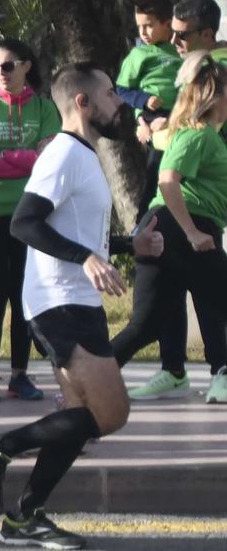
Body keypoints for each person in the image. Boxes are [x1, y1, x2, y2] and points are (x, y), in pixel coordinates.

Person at [0, 65, 163, 550]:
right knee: (110, 414)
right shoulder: (64, 154)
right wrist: (86, 257)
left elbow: (75, 234)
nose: (120, 102)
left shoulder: (84, 156)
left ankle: (26, 517)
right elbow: (24, 224)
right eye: (111, 93)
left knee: (79, 421)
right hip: (57, 302)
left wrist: (127, 247)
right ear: (83, 103)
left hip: (75, 298)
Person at [108, 55, 227, 402]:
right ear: (217, 96)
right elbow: (168, 181)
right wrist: (191, 233)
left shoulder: (201, 135)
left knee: (146, 325)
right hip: (181, 228)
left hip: (165, 227)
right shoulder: (198, 134)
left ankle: (85, 383)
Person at [0, 39, 58, 402]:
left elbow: (49, 159)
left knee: (24, 294)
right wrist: (26, 156)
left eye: (7, 66)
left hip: (30, 212)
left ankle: (19, 374)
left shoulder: (44, 107)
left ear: (26, 67)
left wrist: (8, 155)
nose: (0, 73)